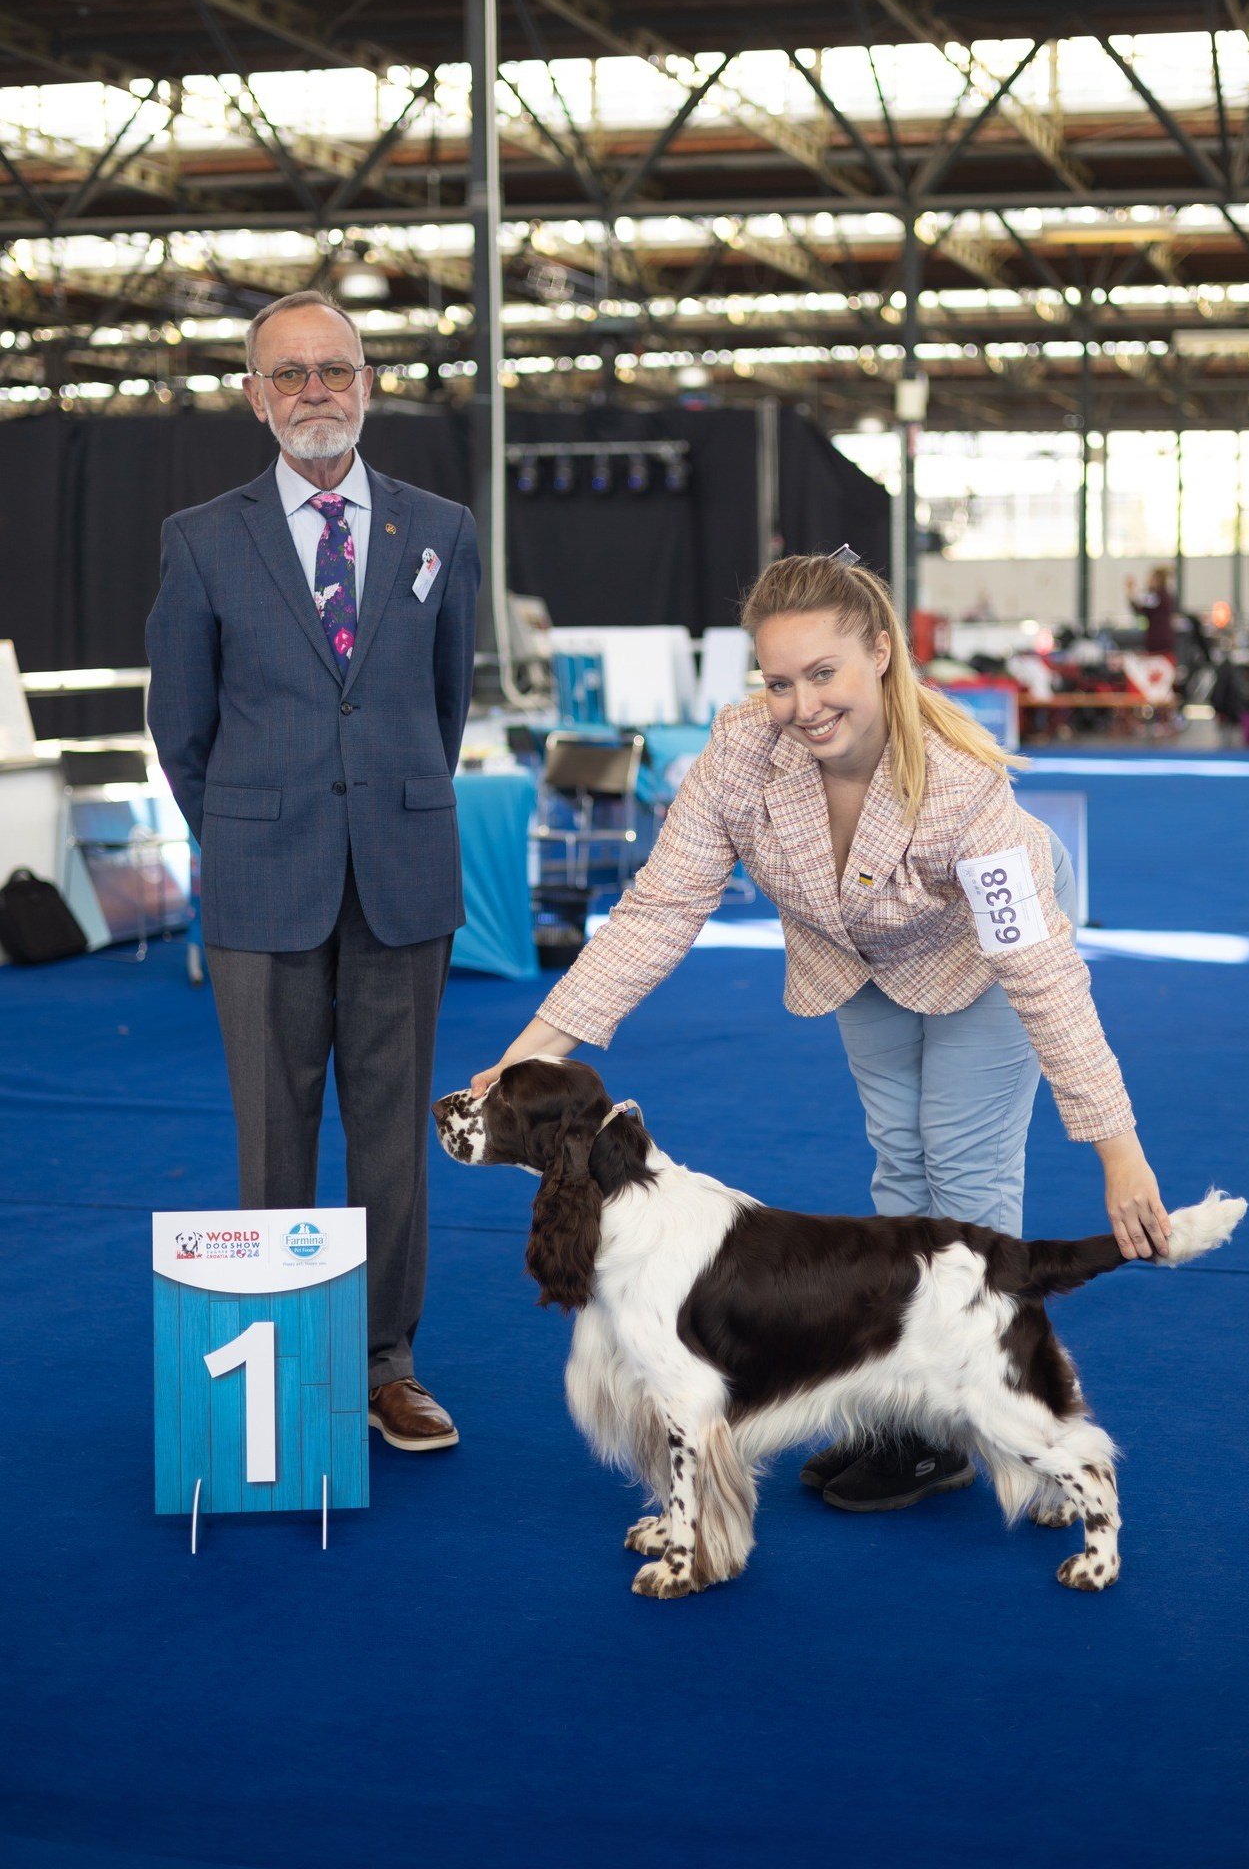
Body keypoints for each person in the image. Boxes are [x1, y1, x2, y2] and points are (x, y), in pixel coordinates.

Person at [471, 552, 1168, 1514]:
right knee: (898, 1171)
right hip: (862, 954)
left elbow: (1045, 980)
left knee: (961, 1171)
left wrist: (1117, 1153)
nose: (801, 705)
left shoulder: (968, 793)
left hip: (988, 958)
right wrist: (531, 1052)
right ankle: (900, 1403)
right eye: (779, 681)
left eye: (825, 673)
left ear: (881, 652)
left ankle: (981, 1419)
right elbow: (656, 911)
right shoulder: (739, 754)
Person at [146, 289, 480, 1453]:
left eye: (333, 369)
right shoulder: (199, 537)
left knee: (392, 1137)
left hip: (400, 872)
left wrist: (378, 807)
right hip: (261, 883)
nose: (314, 392)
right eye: (288, 375)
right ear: (253, 397)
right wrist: (243, 831)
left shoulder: (440, 528)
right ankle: (283, 1360)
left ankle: (385, 1362)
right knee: (274, 1136)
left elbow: (443, 707)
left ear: (369, 382)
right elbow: (179, 726)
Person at [1125, 566, 1178, 660]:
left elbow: (1139, 607)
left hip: (1158, 640)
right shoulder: (1166, 595)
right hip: (1165, 639)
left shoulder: (1157, 597)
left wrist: (1130, 592)